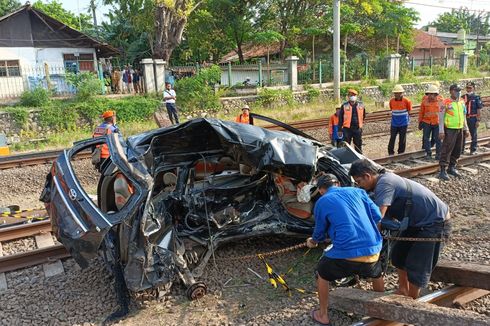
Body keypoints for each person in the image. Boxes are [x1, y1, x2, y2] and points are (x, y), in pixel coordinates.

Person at [349, 159, 451, 299]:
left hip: (435, 222)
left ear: (368, 176)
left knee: (417, 264)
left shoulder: (385, 183)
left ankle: (412, 300)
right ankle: (403, 289)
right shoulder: (379, 183)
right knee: (398, 256)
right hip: (415, 222)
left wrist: (365, 241)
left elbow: (378, 217)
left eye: (359, 181)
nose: (359, 185)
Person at [307, 174, 384, 326]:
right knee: (377, 273)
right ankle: (381, 311)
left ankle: (323, 315)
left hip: (347, 254)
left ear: (321, 190)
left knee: (322, 272)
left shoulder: (322, 201)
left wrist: (313, 242)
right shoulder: (359, 191)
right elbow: (377, 216)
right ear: (338, 184)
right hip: (373, 251)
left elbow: (319, 233)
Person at [438, 84, 469, 180]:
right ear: (451, 91)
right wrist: (441, 131)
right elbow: (441, 117)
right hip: (450, 129)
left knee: (457, 149)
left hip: (459, 128)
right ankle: (443, 170)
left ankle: (452, 167)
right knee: (447, 149)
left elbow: (464, 116)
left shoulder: (462, 102)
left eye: (459, 91)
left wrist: (466, 128)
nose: (458, 92)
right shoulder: (445, 102)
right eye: (456, 91)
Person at [338, 89, 366, 154]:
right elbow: (340, 118)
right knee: (346, 145)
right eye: (350, 95)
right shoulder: (344, 105)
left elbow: (364, 115)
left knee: (358, 144)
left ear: (356, 96)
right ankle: (347, 157)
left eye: (354, 95)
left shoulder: (361, 105)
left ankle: (359, 157)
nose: (352, 96)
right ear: (348, 96)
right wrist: (339, 129)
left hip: (357, 128)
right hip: (347, 129)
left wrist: (360, 124)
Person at [418, 84, 442, 159]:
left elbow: (443, 113)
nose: (430, 95)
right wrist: (420, 122)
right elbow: (421, 112)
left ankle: (438, 154)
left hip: (437, 123)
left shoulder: (441, 102)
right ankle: (428, 153)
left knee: (438, 139)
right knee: (426, 138)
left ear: (436, 94)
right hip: (426, 123)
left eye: (432, 94)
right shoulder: (424, 102)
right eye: (429, 94)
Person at [388, 85, 412, 155]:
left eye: (399, 93)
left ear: (402, 93)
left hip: (403, 123)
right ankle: (390, 152)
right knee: (392, 138)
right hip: (394, 123)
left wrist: (407, 120)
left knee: (402, 138)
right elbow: (391, 109)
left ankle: (401, 152)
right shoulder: (391, 101)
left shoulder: (407, 101)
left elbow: (409, 111)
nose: (397, 95)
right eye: (395, 93)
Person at [461, 81, 483, 155]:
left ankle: (473, 150)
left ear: (473, 88)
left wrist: (478, 120)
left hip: (473, 118)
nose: (468, 89)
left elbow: (479, 109)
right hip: (464, 118)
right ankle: (461, 150)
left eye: (470, 88)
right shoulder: (463, 97)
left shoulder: (476, 97)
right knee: (463, 134)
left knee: (473, 134)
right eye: (467, 88)